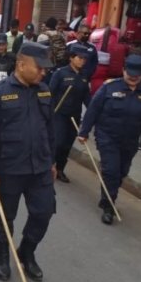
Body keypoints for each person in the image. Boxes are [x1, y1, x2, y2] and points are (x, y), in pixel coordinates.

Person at [0, 41, 56, 282]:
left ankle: (26, 252)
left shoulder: (44, 91)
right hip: (9, 167)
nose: (44, 72)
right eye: (39, 67)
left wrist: (52, 161)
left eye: (45, 68)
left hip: (39, 167)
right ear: (21, 64)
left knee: (44, 212)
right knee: (5, 216)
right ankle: (2, 255)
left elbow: (49, 129)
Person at [77, 55, 141, 224]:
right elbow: (93, 109)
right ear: (124, 70)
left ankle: (109, 196)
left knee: (121, 172)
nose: (133, 79)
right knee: (111, 171)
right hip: (107, 137)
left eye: (137, 76)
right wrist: (84, 131)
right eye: (130, 74)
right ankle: (108, 206)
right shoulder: (109, 88)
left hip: (130, 140)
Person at [49, 44, 92, 183]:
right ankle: (49, 166)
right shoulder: (60, 73)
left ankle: (60, 169)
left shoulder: (84, 76)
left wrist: (93, 112)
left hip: (74, 116)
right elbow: (50, 93)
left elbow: (87, 98)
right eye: (80, 58)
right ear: (71, 58)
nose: (82, 61)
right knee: (58, 142)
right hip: (59, 114)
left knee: (67, 145)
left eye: (84, 59)